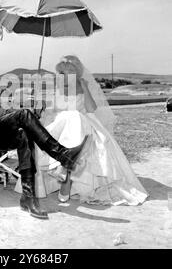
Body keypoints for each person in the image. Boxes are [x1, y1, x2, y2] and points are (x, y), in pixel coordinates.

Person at [0, 58, 91, 220]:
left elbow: (1, 116)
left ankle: (28, 197)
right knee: (23, 116)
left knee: (23, 133)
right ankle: (63, 155)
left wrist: (25, 107)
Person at [35, 55, 148, 206]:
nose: (63, 75)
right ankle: (65, 164)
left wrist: (85, 87)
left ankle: (66, 170)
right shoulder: (56, 88)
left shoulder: (83, 86)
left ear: (76, 72)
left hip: (81, 124)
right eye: (61, 72)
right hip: (59, 126)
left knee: (75, 116)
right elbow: (50, 113)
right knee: (68, 117)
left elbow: (91, 109)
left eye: (68, 72)